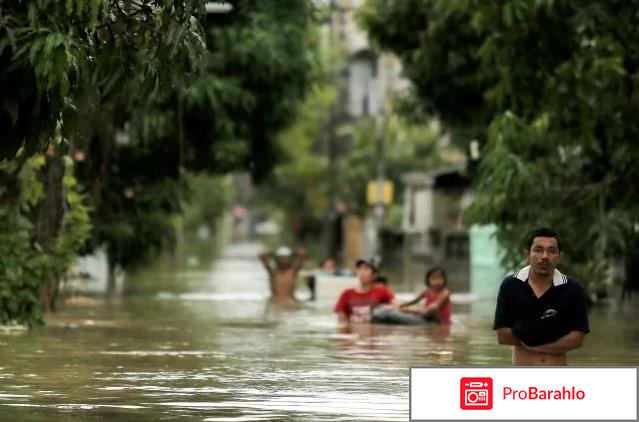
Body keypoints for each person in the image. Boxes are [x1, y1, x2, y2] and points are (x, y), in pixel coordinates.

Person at [493, 227, 590, 366]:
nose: (545, 256)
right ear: (527, 254)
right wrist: (549, 337)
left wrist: (536, 346)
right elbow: (502, 335)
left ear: (560, 257)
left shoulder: (572, 288)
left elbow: (578, 338)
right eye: (538, 250)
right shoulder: (511, 285)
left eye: (551, 251)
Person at [334, 257, 396, 326]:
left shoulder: (382, 291)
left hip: (374, 333)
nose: (362, 272)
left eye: (366, 269)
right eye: (359, 269)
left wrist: (391, 307)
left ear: (374, 275)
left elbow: (397, 304)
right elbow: (341, 322)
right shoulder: (347, 294)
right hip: (354, 333)